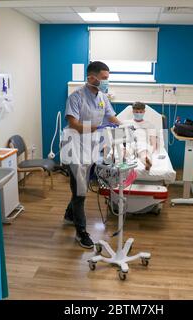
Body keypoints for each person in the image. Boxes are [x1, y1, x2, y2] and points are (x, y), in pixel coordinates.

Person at [63, 61, 120, 249]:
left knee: (82, 185)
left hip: (91, 146)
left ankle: (69, 214)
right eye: (104, 78)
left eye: (107, 79)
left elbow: (111, 116)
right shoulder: (76, 97)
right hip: (74, 147)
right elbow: (74, 124)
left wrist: (125, 125)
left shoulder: (102, 96)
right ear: (91, 78)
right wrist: (95, 127)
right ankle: (81, 232)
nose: (106, 82)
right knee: (80, 191)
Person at [129, 102, 158, 171]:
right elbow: (122, 138)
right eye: (136, 112)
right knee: (126, 151)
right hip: (130, 143)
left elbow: (153, 142)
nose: (138, 114)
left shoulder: (149, 125)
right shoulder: (127, 123)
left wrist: (151, 150)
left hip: (142, 143)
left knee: (144, 151)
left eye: (140, 112)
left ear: (144, 112)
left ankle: (146, 162)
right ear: (133, 111)